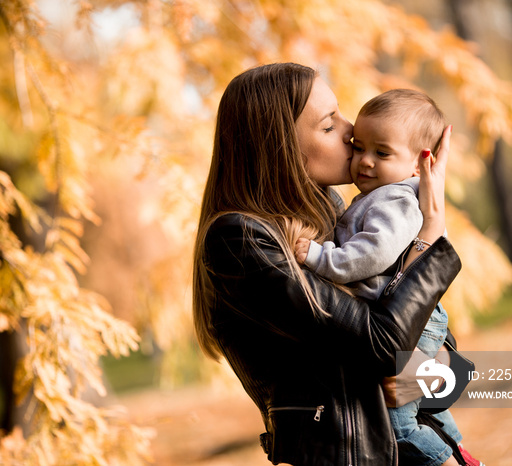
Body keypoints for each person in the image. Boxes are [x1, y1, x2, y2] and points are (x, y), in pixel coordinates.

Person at [193, 62, 462, 466]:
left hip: (416, 448)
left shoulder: (339, 217)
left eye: (340, 113)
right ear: (280, 146)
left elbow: (450, 368)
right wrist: (431, 233)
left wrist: (419, 380)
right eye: (327, 125)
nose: (351, 129)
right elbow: (388, 347)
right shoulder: (242, 241)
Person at [293, 89, 481, 466]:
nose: (362, 160)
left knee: (398, 426)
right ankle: (458, 449)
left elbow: (371, 254)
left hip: (413, 322)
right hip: (409, 321)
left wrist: (316, 255)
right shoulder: (374, 196)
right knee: (418, 407)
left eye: (381, 153)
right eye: (358, 146)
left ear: (418, 165)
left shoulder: (394, 200)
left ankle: (446, 460)